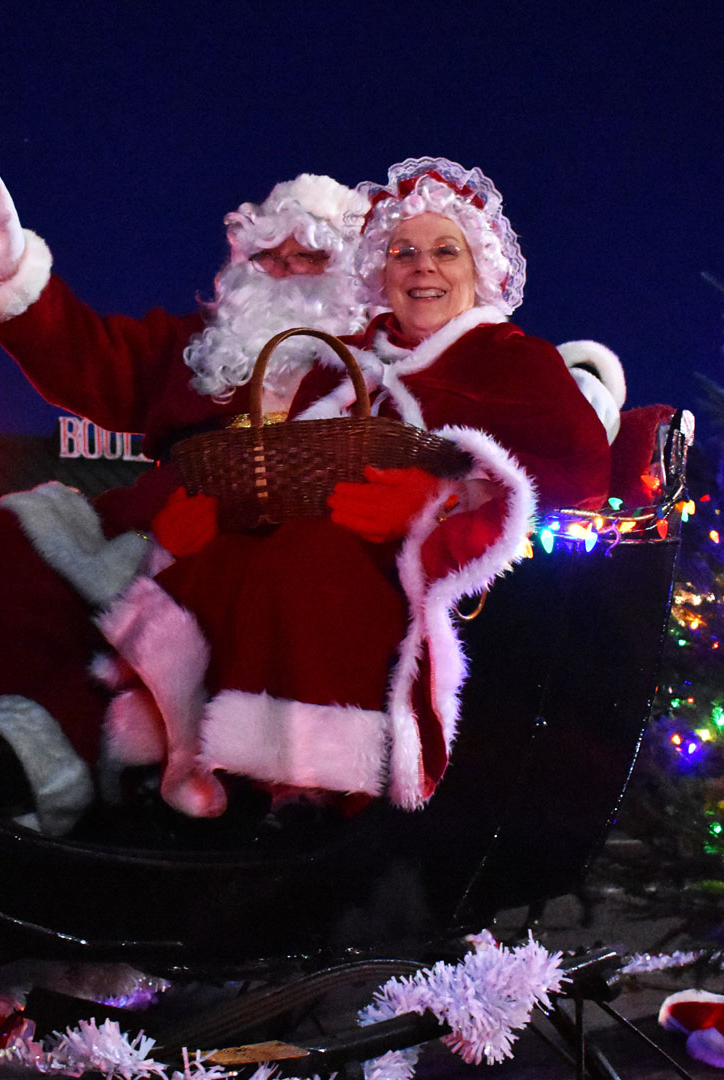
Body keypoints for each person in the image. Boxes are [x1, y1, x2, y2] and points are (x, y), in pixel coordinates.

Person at [93, 157, 626, 819]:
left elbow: (577, 478)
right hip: (317, 531)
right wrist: (201, 521)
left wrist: (441, 505)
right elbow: (285, 462)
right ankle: (187, 761)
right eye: (404, 252)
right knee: (223, 561)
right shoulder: (346, 358)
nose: (422, 266)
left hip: (434, 584)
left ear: (479, 270)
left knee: (308, 561)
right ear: (381, 272)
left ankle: (311, 786)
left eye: (445, 251)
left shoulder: (517, 361)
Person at [0, 164, 375, 834]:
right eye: (272, 255)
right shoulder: (205, 349)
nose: (288, 270)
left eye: (310, 256)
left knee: (151, 631)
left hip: (255, 554)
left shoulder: (376, 363)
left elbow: (474, 391)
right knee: (18, 541)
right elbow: (90, 355)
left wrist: (577, 382)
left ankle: (30, 775)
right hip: (149, 533)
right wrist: (7, 273)